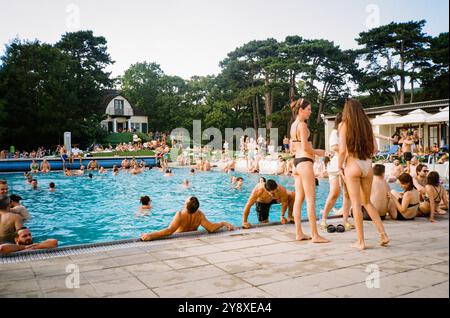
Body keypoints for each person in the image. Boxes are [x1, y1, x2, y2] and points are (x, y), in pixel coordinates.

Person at [338, 99, 389, 250]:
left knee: (356, 204)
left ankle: (361, 241)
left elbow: (341, 150)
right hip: (367, 165)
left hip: (352, 164)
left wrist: (340, 165)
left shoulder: (344, 125)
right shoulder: (367, 125)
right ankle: (383, 235)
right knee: (367, 202)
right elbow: (375, 148)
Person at [289, 98, 329, 243]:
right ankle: (315, 235)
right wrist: (320, 152)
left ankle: (299, 233)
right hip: (305, 162)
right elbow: (306, 148)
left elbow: (294, 148)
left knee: (298, 199)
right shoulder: (302, 126)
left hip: (297, 163)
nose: (310, 112)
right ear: (301, 110)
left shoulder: (293, 126)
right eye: (309, 109)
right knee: (311, 200)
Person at [140, 197, 234, 241]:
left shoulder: (180, 214)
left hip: (179, 239)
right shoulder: (200, 214)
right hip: (193, 238)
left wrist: (150, 235)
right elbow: (211, 228)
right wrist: (223, 223)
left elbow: (169, 231)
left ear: (185, 205)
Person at [319, 112, 353, 231]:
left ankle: (345, 221)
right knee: (334, 193)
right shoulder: (335, 133)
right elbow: (334, 147)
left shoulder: (347, 133)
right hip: (336, 167)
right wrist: (349, 150)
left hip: (347, 165)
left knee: (348, 194)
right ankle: (323, 219)